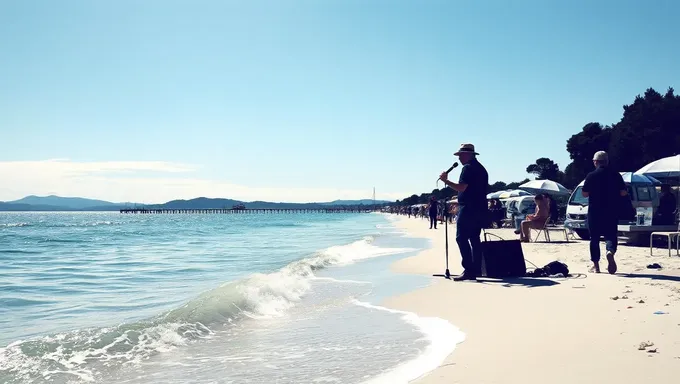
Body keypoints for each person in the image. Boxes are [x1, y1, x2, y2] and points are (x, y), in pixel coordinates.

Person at [439, 143, 488, 281]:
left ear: (468, 154)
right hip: (480, 207)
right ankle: (476, 269)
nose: (459, 158)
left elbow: (462, 187)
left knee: (461, 238)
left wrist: (446, 181)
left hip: (468, 209)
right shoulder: (481, 169)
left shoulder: (468, 168)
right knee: (474, 239)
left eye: (461, 155)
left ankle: (469, 269)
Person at [582, 151, 627, 274]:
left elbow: (584, 193)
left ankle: (596, 266)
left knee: (594, 238)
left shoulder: (591, 175)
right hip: (611, 210)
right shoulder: (616, 175)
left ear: (595, 162)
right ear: (607, 162)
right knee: (611, 235)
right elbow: (623, 193)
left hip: (595, 211)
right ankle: (610, 251)